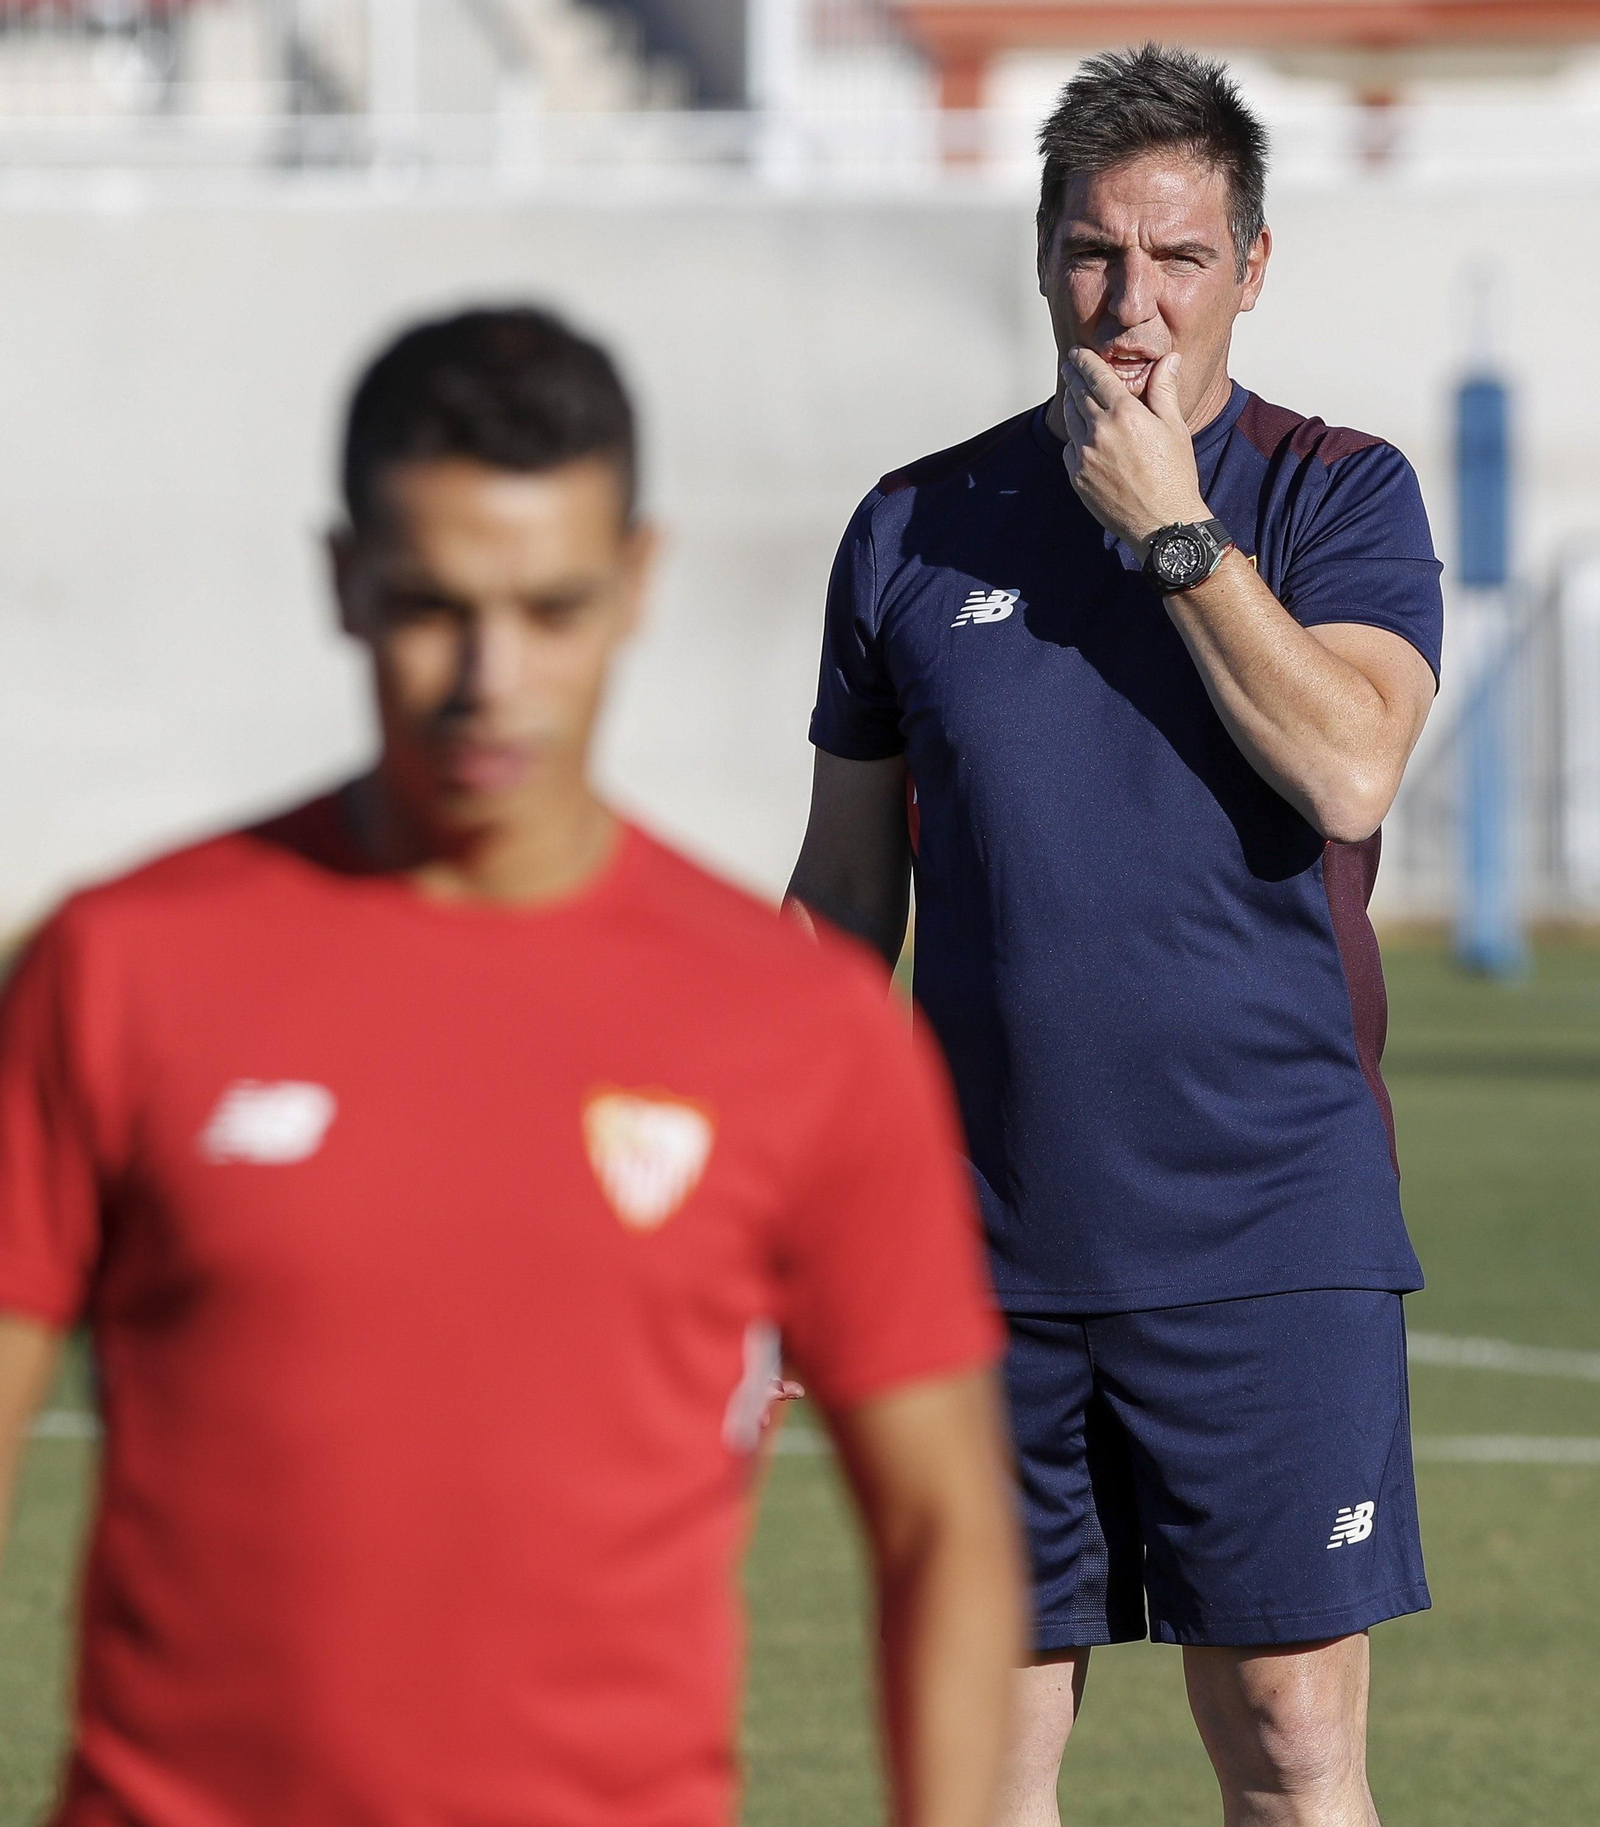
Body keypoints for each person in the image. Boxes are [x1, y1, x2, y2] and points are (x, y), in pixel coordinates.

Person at [0, 306, 1024, 1827]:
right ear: (340, 582)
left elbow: (945, 1528)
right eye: (431, 606)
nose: (492, 678)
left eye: (552, 609)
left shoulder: (795, 1029)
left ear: (638, 584)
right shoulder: (120, 967)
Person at [787, 45, 1442, 1827]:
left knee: (1296, 1748)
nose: (1132, 301)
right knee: (975, 1767)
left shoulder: (1337, 494)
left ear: (1253, 264)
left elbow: (1352, 766)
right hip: (975, 1248)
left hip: (1270, 1230)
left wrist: (1170, 533)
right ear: (1044, 256)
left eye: (1177, 257)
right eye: (1094, 254)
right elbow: (844, 902)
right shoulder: (915, 526)